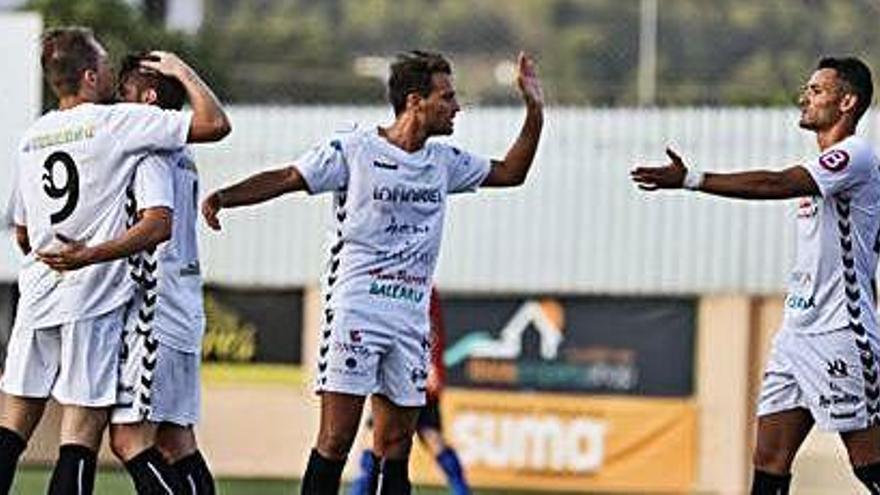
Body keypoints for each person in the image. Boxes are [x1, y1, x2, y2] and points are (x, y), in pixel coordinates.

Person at [201, 50, 543, 494]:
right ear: (416, 101)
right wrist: (225, 197)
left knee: (396, 444)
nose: (457, 107)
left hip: (409, 320)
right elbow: (288, 177)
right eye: (448, 97)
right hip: (356, 313)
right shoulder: (355, 149)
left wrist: (534, 110)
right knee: (337, 439)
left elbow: (512, 172)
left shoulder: (444, 162)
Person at [631, 57, 880, 494]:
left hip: (841, 333)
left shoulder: (855, 156)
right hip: (797, 335)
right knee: (768, 462)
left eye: (817, 90)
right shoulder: (832, 169)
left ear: (847, 102)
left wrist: (692, 178)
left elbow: (773, 183)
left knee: (870, 465)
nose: (805, 97)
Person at [0, 26, 229, 495]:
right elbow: (215, 125)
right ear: (88, 76)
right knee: (81, 439)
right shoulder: (119, 124)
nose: (111, 72)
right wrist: (88, 255)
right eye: (105, 65)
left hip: (39, 293)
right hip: (92, 298)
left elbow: (22, 230)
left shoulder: (32, 136)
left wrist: (55, 252)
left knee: (10, 429)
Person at [349, 287, 471, 495]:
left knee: (384, 441)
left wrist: (432, 367)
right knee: (417, 437)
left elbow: (431, 331)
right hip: (397, 373)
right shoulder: (395, 287)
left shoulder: (419, 289)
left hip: (411, 375)